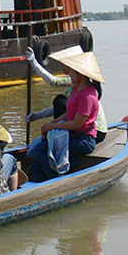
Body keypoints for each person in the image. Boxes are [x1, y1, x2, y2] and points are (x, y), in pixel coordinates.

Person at [27, 51, 104, 181]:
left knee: (41, 150)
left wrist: (52, 127)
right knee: (36, 150)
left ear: (81, 74)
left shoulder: (88, 95)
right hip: (73, 135)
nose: (68, 74)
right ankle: (37, 181)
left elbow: (77, 123)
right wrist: (51, 124)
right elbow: (69, 113)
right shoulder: (77, 89)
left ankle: (55, 180)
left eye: (72, 72)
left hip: (83, 140)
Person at [25, 45, 108, 143]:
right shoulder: (76, 84)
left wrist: (33, 62)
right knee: (60, 101)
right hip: (86, 127)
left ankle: (58, 137)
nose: (63, 66)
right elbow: (69, 108)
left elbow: (53, 81)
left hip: (93, 131)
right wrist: (36, 116)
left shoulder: (82, 85)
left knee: (60, 101)